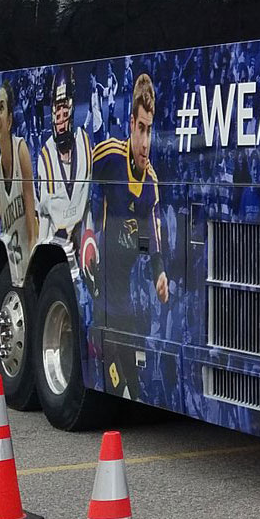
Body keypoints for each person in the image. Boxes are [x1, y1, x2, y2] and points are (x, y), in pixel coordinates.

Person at [92, 73, 170, 337]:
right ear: (131, 125)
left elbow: (152, 239)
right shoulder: (109, 156)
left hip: (123, 294)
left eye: (150, 131)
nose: (146, 143)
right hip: (100, 283)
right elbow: (80, 184)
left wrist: (159, 273)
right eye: (141, 129)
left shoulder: (151, 184)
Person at [35, 66, 94, 273]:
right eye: (57, 113)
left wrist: (91, 245)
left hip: (81, 251)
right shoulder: (45, 157)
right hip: (56, 255)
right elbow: (43, 217)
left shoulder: (85, 144)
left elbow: (87, 206)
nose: (60, 121)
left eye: (64, 112)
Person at [0, 80, 38, 276]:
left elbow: (32, 225)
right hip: (12, 270)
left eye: (1, 109)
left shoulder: (21, 151)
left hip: (28, 265)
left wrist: (34, 269)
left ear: (9, 121)